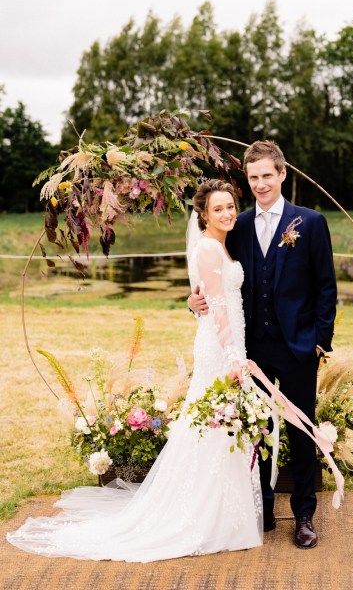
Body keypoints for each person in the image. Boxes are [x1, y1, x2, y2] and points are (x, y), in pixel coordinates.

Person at [7, 180, 265, 561]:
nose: (227, 213)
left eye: (230, 206)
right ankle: (205, 517)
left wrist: (235, 350)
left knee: (219, 425)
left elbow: (216, 300)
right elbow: (220, 310)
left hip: (230, 344)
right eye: (218, 209)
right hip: (219, 349)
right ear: (203, 215)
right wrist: (233, 360)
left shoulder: (221, 245)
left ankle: (224, 515)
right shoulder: (209, 249)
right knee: (213, 422)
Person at [189, 141, 337, 549]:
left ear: (282, 174)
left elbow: (327, 288)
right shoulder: (236, 224)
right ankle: (265, 509)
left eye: (267, 176)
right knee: (257, 430)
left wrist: (320, 344)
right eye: (253, 178)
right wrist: (193, 299)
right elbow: (216, 281)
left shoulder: (310, 222)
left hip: (298, 348)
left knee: (300, 429)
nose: (260, 184)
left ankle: (305, 514)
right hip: (250, 350)